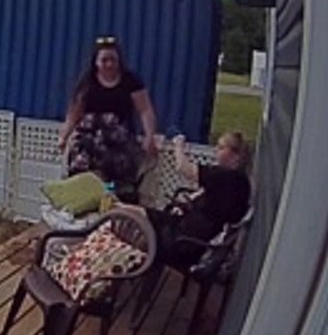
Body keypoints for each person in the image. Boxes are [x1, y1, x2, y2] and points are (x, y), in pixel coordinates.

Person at [58, 37, 160, 202]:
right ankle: (82, 203)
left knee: (114, 181)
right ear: (96, 62)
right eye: (104, 60)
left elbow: (145, 110)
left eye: (113, 59)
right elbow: (74, 113)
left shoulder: (130, 81)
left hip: (117, 144)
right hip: (88, 142)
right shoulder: (87, 82)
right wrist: (64, 136)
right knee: (81, 175)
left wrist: (150, 137)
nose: (109, 64)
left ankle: (111, 202)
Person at [149, 132, 252, 268]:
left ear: (235, 156)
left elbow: (183, 168)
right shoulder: (241, 182)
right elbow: (216, 208)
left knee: (137, 216)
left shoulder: (223, 177)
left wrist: (178, 145)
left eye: (221, 148)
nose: (216, 150)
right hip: (193, 240)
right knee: (138, 214)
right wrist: (190, 205)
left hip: (181, 242)